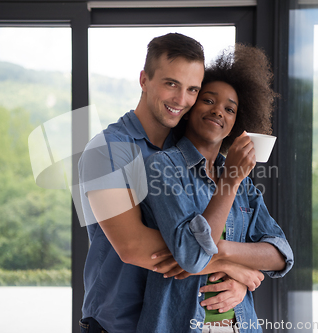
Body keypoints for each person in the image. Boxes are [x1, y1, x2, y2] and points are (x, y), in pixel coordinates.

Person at [136, 44, 294, 333]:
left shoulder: (242, 181)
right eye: (208, 100)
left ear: (237, 121)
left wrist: (222, 251)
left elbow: (280, 255)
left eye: (230, 108)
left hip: (239, 326)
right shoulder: (162, 167)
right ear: (190, 107)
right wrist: (230, 181)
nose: (219, 111)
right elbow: (194, 256)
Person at [79, 32, 214, 333]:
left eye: (192, 89)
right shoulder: (107, 149)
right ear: (144, 79)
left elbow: (220, 227)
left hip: (177, 320)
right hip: (117, 324)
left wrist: (233, 276)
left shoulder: (188, 150)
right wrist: (232, 264)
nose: (182, 100)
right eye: (171, 84)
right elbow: (134, 246)